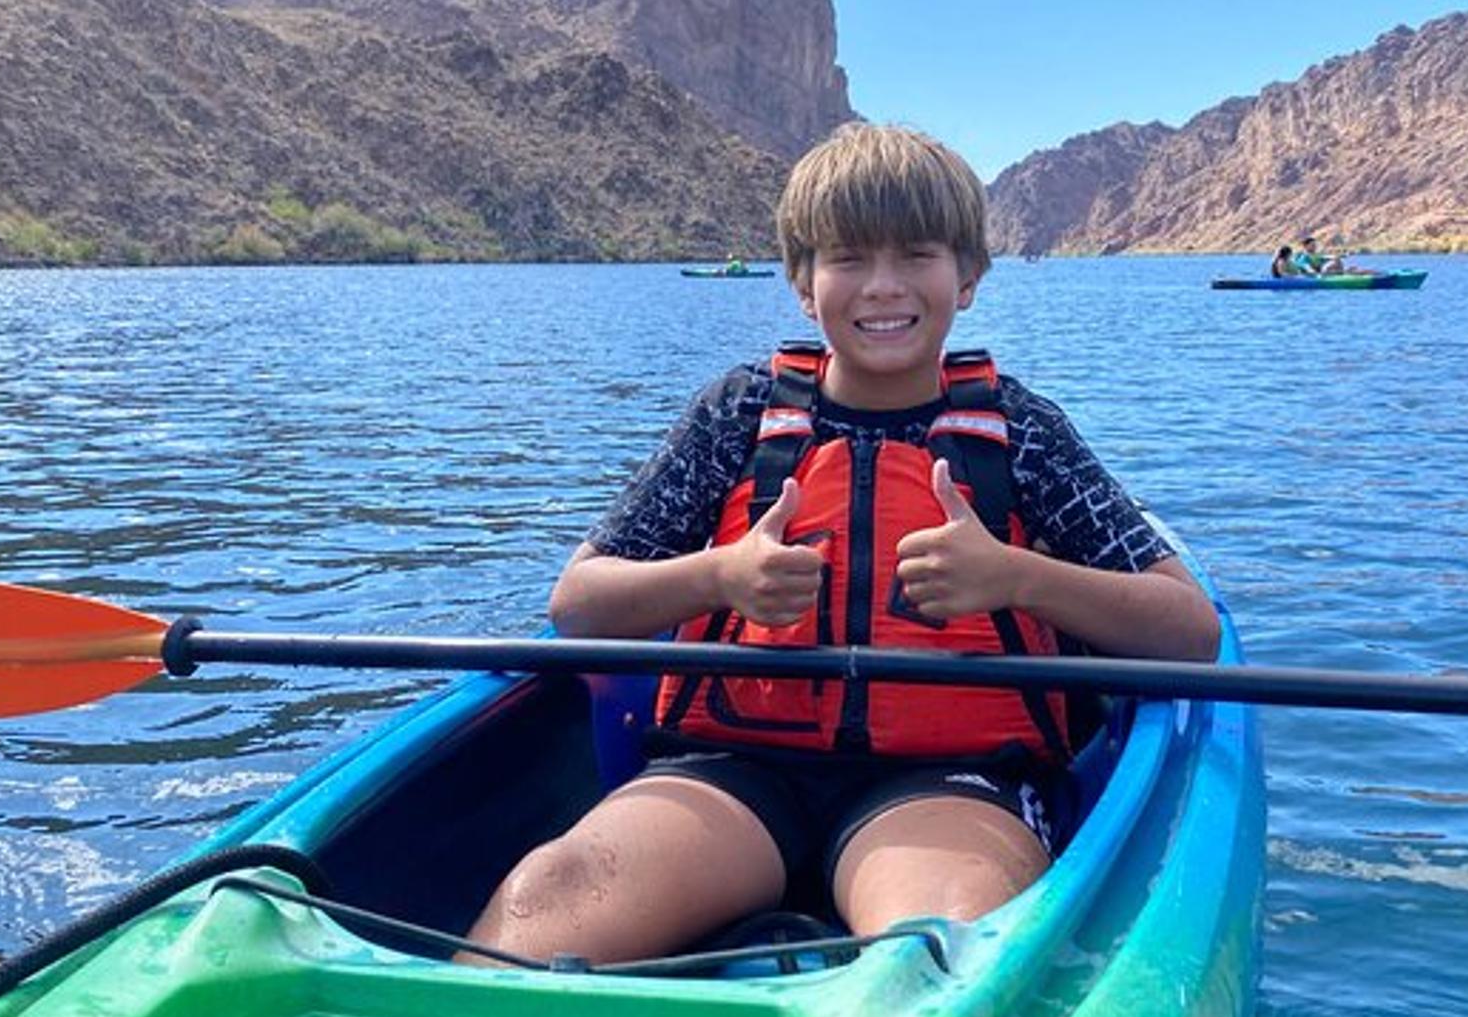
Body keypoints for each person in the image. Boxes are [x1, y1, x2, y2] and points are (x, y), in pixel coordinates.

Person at [456, 122, 1222, 967]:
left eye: (917, 255)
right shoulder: (736, 415)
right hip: (730, 770)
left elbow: (1187, 629)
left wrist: (1013, 575)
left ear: (966, 277)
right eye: (848, 258)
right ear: (801, 282)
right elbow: (579, 604)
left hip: (953, 782)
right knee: (544, 900)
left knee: (930, 953)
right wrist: (721, 575)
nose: (882, 287)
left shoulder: (1023, 432)